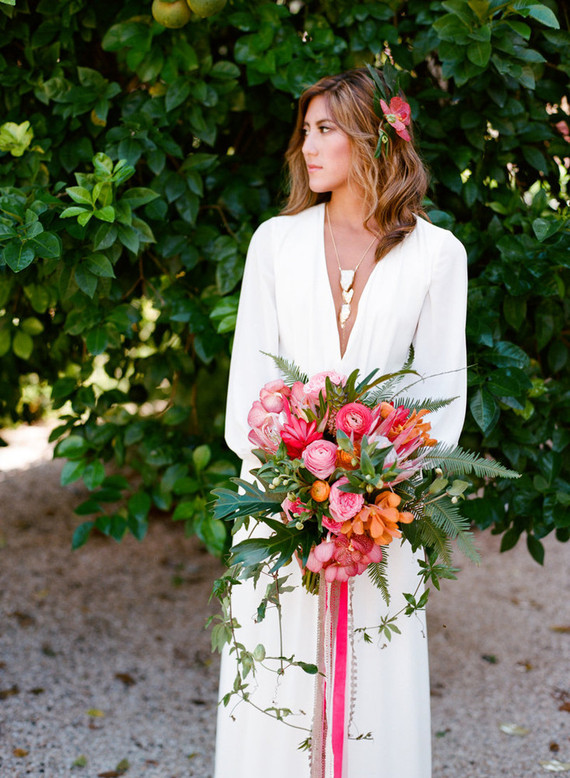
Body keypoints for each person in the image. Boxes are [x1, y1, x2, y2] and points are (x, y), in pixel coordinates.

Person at [214, 68, 467, 778]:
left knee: (374, 686)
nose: (308, 145)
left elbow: (439, 407)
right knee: (274, 681)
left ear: (373, 137)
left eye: (326, 129)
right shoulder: (275, 242)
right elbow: (247, 395)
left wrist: (378, 482)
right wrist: (296, 487)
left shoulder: (439, 256)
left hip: (383, 517)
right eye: (306, 129)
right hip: (279, 505)